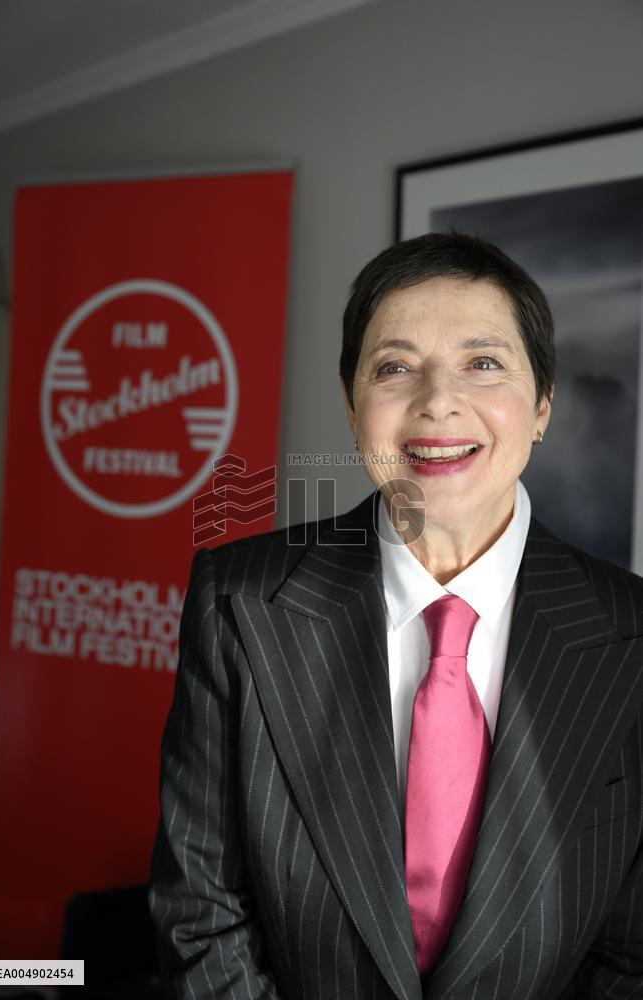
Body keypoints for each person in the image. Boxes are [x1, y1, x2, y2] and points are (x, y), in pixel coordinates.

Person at [148, 231, 643, 999]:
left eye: (483, 363)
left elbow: (632, 955)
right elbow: (200, 912)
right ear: (353, 408)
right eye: (395, 367)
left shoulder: (632, 634)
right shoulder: (237, 600)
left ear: (542, 403)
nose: (438, 401)